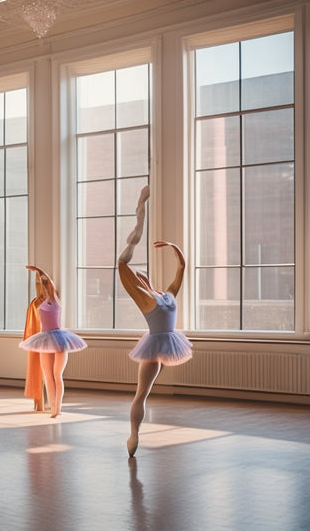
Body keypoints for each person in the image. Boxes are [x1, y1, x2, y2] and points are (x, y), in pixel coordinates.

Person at [118, 186, 192, 457]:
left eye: (144, 278)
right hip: (158, 347)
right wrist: (140, 215)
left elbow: (182, 268)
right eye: (142, 278)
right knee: (141, 394)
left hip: (165, 344)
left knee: (142, 394)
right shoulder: (150, 300)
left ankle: (134, 432)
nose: (143, 278)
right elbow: (123, 267)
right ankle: (134, 433)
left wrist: (175, 249)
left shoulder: (166, 295)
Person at [19, 265, 87, 418]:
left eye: (45, 286)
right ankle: (53, 408)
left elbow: (51, 285)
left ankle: (58, 408)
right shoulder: (38, 303)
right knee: (48, 375)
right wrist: (39, 277)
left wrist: (39, 270)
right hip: (45, 338)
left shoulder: (56, 300)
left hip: (59, 338)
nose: (45, 289)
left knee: (57, 374)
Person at [23, 272, 46, 411]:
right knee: (38, 370)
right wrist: (38, 272)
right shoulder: (37, 302)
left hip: (45, 339)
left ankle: (42, 404)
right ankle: (39, 404)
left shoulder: (46, 301)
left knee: (44, 372)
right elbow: (38, 285)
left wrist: (39, 271)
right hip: (39, 339)